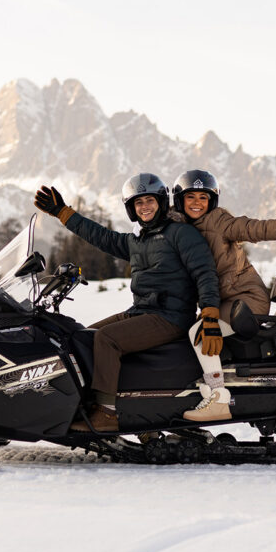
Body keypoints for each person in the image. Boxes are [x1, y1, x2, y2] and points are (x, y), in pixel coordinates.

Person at [34, 173, 222, 432]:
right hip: (142, 312)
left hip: (172, 316)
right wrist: (63, 213)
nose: (144, 207)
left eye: (149, 201)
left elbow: (205, 273)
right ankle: (86, 403)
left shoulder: (181, 233)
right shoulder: (137, 240)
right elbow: (101, 236)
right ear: (131, 209)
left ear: (160, 202)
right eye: (138, 203)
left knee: (107, 339)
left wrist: (210, 314)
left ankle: (106, 413)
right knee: (80, 337)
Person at [171, 169, 276, 422]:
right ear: (180, 200)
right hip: (222, 301)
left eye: (203, 197)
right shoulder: (181, 226)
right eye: (191, 197)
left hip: (244, 301)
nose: (197, 203)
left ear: (212, 201)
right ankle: (207, 386)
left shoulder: (219, 221)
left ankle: (218, 397)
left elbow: (251, 228)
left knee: (199, 333)